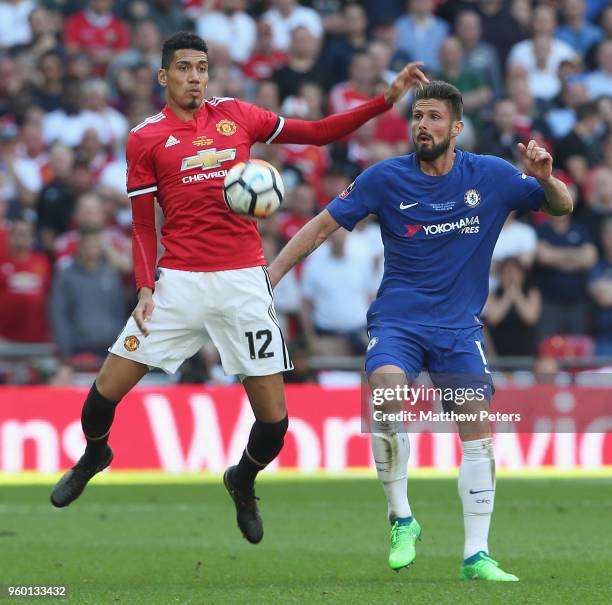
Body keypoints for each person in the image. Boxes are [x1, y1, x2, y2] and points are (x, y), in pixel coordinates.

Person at [49, 31, 427, 544]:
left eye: (201, 67)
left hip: (244, 282)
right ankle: (96, 453)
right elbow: (143, 225)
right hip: (178, 283)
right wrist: (144, 289)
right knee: (100, 398)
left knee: (275, 424)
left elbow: (317, 132)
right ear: (164, 76)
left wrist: (385, 99)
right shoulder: (146, 137)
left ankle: (242, 479)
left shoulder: (236, 115)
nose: (195, 77)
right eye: (184, 68)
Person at [267, 81, 572, 580]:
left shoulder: (492, 176)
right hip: (398, 321)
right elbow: (322, 225)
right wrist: (272, 276)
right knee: (386, 395)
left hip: (458, 327)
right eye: (417, 116)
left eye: (433, 117)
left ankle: (476, 555)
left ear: (456, 128)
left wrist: (547, 178)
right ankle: (401, 517)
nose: (421, 125)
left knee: (478, 432)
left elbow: (559, 207)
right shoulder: (385, 178)